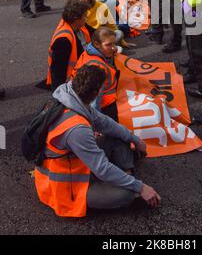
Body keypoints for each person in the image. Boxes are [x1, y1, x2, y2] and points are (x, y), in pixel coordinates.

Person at [35, 64, 161, 217]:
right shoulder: (77, 129)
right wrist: (140, 187)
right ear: (96, 93)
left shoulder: (69, 96)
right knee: (125, 195)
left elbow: (105, 123)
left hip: (76, 162)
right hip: (68, 186)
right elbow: (102, 169)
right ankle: (128, 183)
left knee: (119, 137)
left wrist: (134, 139)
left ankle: (126, 177)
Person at [72, 27, 120, 120]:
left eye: (114, 43)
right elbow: (93, 102)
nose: (114, 48)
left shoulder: (90, 50)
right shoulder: (97, 68)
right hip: (105, 105)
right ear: (97, 44)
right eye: (109, 45)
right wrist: (95, 123)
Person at [47, 0, 91, 92]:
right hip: (72, 79)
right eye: (85, 16)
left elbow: (95, 34)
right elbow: (57, 70)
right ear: (76, 18)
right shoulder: (63, 41)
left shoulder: (80, 26)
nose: (86, 18)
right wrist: (60, 92)